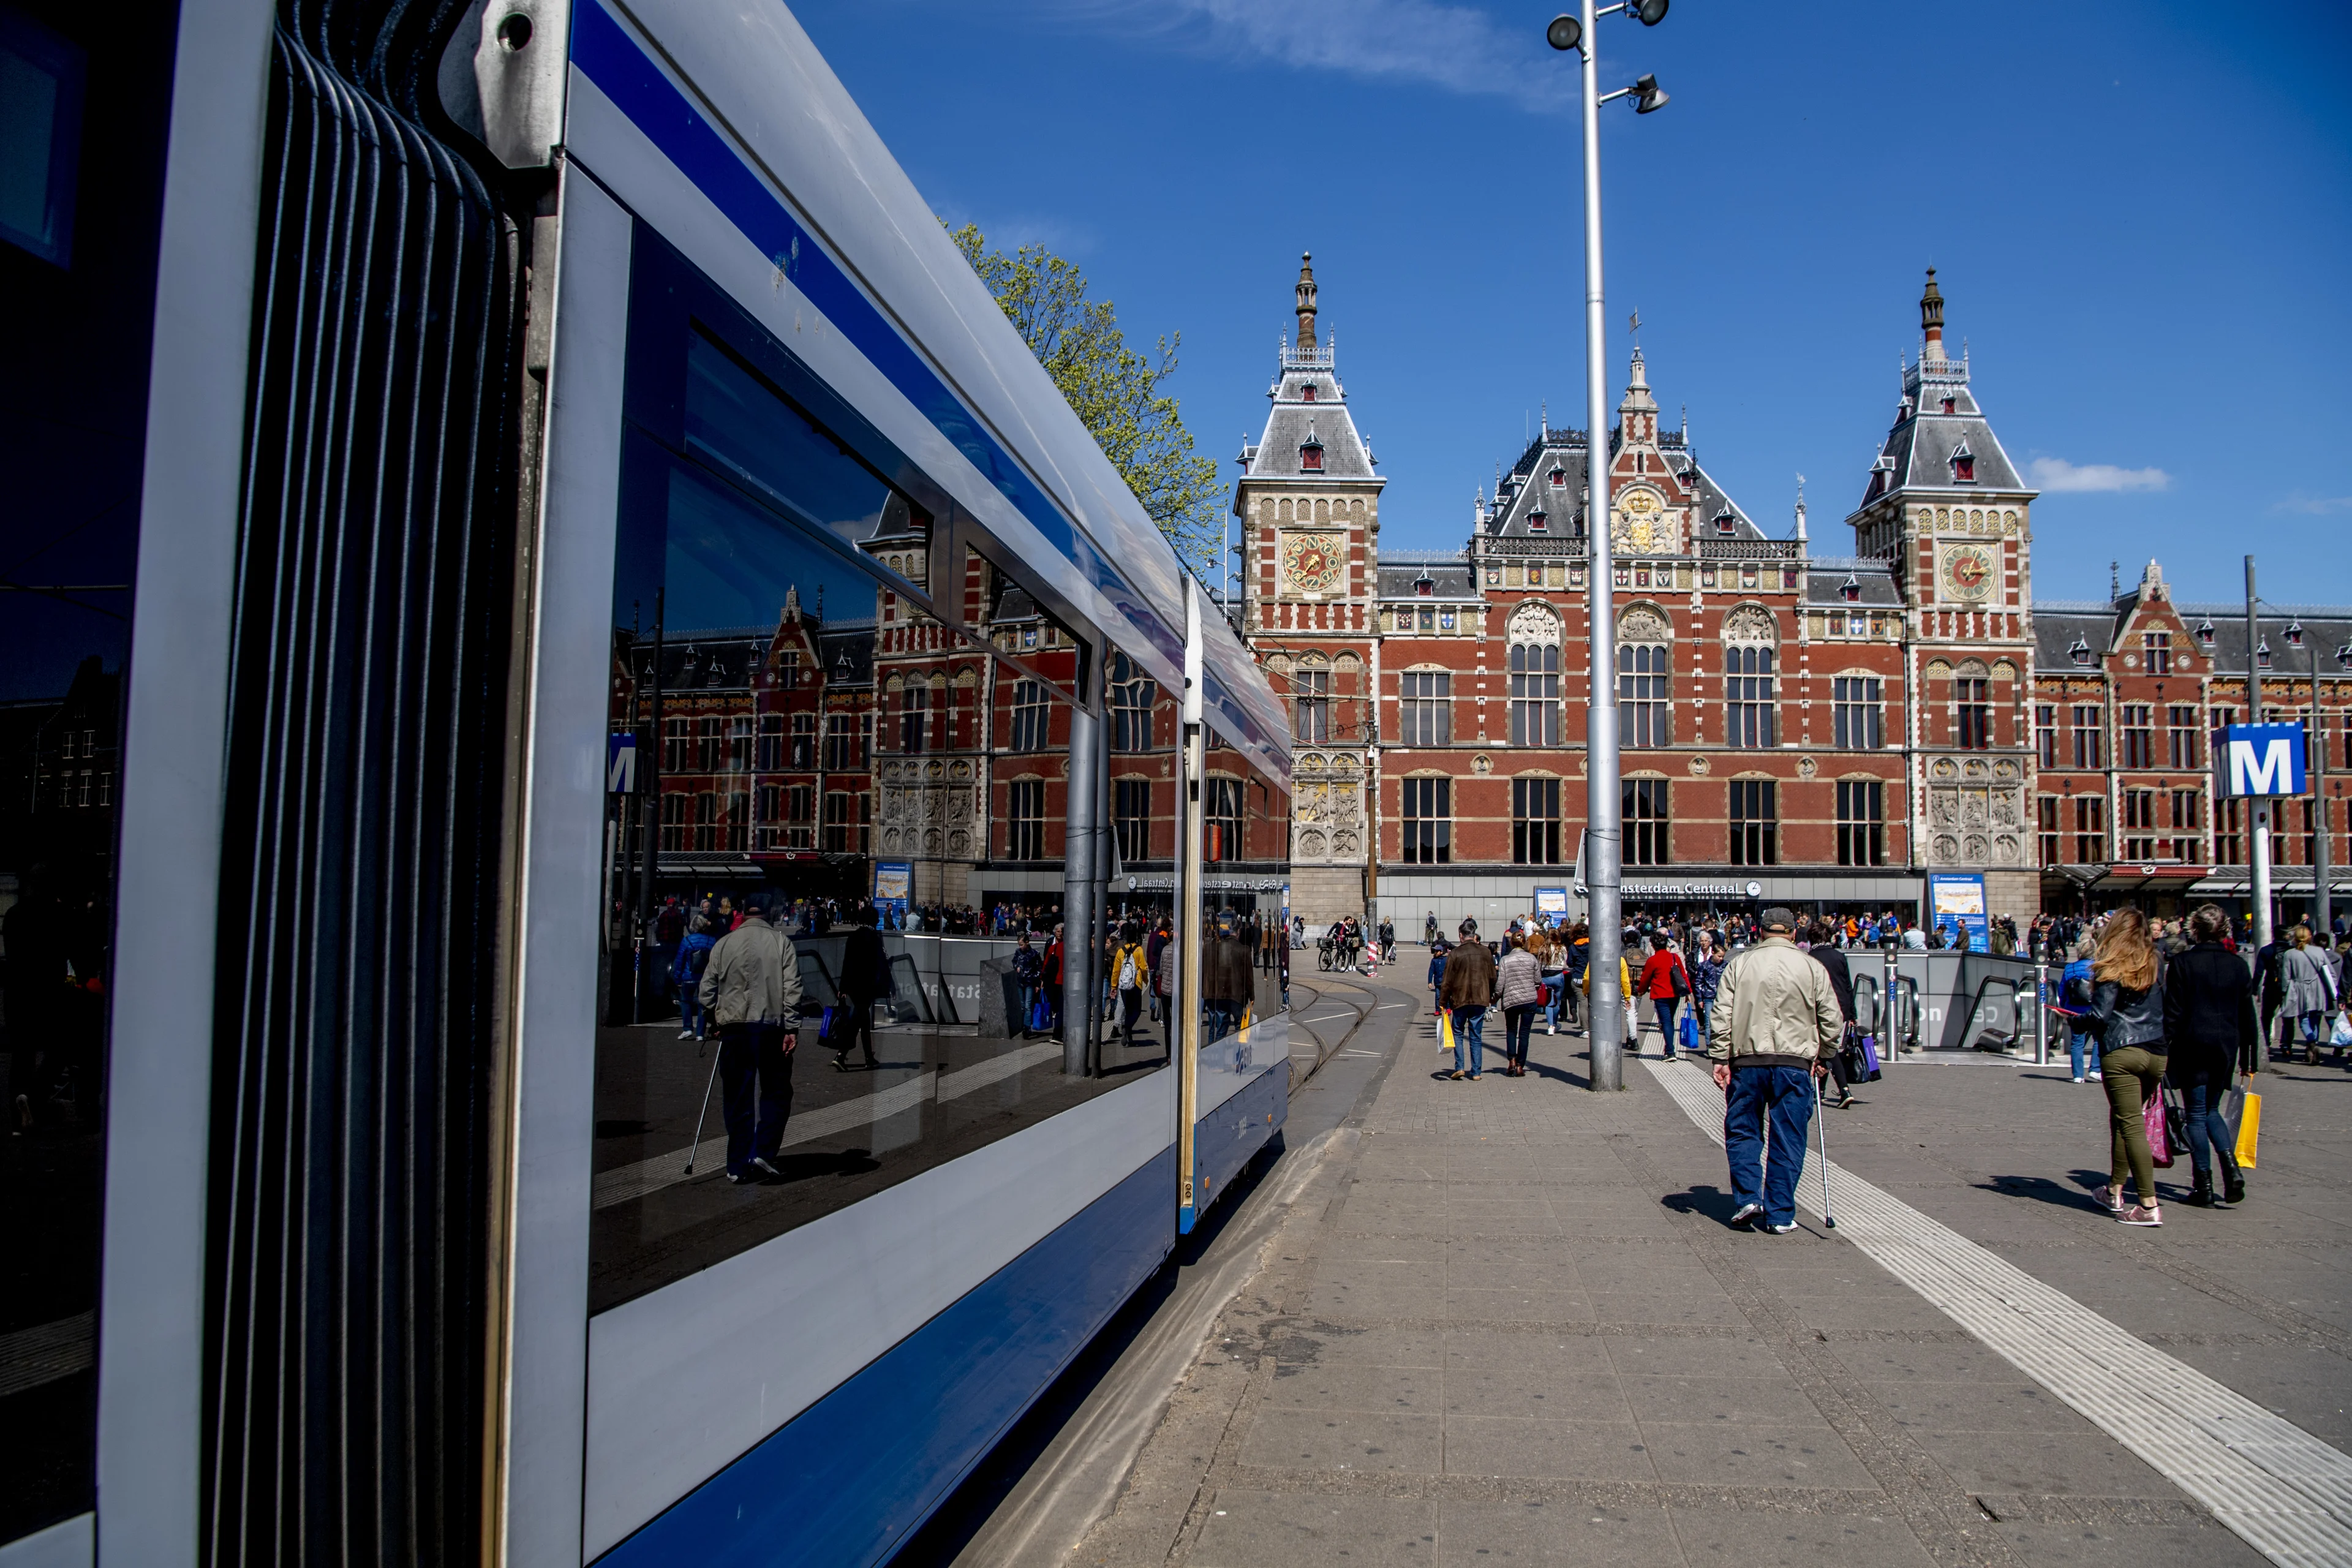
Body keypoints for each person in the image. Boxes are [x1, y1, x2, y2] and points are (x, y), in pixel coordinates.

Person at [1708, 907, 1843, 1234]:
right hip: (1794, 1064)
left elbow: (1722, 1013)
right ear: (1794, 933)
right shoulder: (1812, 967)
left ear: (1760, 932)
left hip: (1747, 1061)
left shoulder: (1739, 965)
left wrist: (1720, 1057)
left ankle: (1748, 1199)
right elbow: (1832, 1019)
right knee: (1789, 1138)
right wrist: (1824, 1055)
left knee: (1743, 1130)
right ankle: (1780, 1214)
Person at [698, 895, 804, 1185]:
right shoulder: (782, 943)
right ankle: (763, 1150)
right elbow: (792, 988)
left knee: (737, 1096)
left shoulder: (724, 944)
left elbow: (706, 991)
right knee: (777, 1092)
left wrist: (714, 1020)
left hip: (734, 1030)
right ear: (771, 913)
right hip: (771, 1028)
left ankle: (737, 1164)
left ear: (743, 913)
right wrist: (792, 1027)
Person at [2163, 904, 2253, 1208]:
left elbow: (2173, 1012)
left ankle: (2203, 1184)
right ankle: (2231, 1167)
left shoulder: (2182, 963)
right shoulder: (2238, 965)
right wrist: (2249, 1058)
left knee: (2196, 1115)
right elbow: (2247, 1014)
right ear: (2225, 929)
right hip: (2226, 1046)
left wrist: (2162, 1046)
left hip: (2192, 1044)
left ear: (2194, 930)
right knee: (2212, 1110)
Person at [2085, 908, 2168, 1226]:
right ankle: (2114, 1191)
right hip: (2156, 1050)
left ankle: (2148, 1205)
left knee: (2130, 1125)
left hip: (2123, 1051)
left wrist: (2075, 1021)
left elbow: (2100, 1016)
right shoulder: (2155, 960)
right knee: (2125, 1120)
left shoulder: (2111, 963)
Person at [1804, 919, 1860, 1108]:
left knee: (1829, 1049)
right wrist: (1852, 1014)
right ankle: (1821, 1091)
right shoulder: (1839, 956)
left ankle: (1844, 1090)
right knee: (1828, 1046)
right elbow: (1847, 985)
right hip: (1841, 1007)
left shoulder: (1810, 958)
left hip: (1819, 1007)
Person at [831, 914, 892, 1071]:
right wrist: (889, 985)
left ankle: (869, 1057)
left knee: (864, 1020)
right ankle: (841, 1055)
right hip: (867, 986)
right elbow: (882, 963)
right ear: (874, 921)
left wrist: (842, 987)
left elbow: (847, 963)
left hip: (853, 986)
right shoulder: (874, 938)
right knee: (858, 1020)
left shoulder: (853, 936)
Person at [1439, 918, 1496, 1080]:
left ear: (1461, 935)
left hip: (1460, 999)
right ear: (1473, 934)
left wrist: (1442, 1002)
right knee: (1476, 1035)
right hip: (1480, 998)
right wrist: (1490, 995)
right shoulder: (1486, 952)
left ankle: (1460, 1067)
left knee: (1458, 1032)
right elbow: (1493, 977)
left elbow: (1447, 981)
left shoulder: (1455, 954)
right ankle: (1476, 1072)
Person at [2279, 925, 2339, 1065]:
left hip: (2298, 988)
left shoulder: (2290, 954)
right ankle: (2313, 1045)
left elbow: (2286, 977)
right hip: (2317, 987)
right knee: (2315, 1018)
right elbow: (2331, 972)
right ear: (2309, 937)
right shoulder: (2318, 951)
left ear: (2295, 938)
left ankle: (2311, 1042)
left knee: (2303, 1019)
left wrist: (2285, 992)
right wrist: (2333, 987)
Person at [1635, 932, 1693, 1061]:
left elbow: (1645, 978)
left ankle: (1670, 1052)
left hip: (1660, 995)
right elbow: (1683, 975)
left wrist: (1641, 991)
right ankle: (1668, 1050)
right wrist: (1688, 992)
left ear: (1653, 945)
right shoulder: (1674, 957)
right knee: (1670, 1021)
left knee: (1666, 1022)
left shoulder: (1652, 960)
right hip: (1675, 994)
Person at [1204, 909, 1255, 1041]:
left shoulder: (1218, 947)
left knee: (1220, 1030)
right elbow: (1249, 978)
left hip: (1221, 994)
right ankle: (1239, 1051)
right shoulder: (1244, 950)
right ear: (1238, 932)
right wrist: (1252, 996)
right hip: (1237, 996)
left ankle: (1216, 1050)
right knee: (1239, 1026)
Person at [2054, 935, 2100, 1082]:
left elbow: (2062, 991)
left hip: (2074, 1009)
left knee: (2077, 1042)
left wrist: (2064, 1006)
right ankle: (2095, 1069)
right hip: (2094, 1008)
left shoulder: (2070, 968)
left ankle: (2078, 1076)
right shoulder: (2098, 968)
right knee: (2099, 1039)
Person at [1496, 931, 1541, 1077]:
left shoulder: (1505, 960)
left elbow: (1501, 983)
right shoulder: (1532, 959)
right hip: (1529, 999)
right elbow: (1538, 980)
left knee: (1511, 1030)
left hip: (1511, 1000)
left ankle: (1512, 1060)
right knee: (1524, 1033)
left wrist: (1495, 997)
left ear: (1511, 943)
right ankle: (1521, 1065)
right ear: (1524, 943)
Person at [673, 916, 718, 1041]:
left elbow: (680, 961)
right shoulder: (711, 940)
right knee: (703, 1004)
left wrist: (677, 978)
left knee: (686, 1001)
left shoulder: (687, 940)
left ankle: (687, 1028)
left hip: (688, 976)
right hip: (705, 977)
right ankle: (700, 1033)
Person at [1110, 921, 1150, 1052]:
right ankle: (1127, 1028)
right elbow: (1143, 968)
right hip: (1136, 984)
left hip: (1124, 985)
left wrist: (1114, 986)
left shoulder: (1120, 952)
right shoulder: (1139, 950)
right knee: (1136, 1011)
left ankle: (1129, 1035)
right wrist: (1145, 980)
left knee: (1128, 1010)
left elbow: (1116, 971)